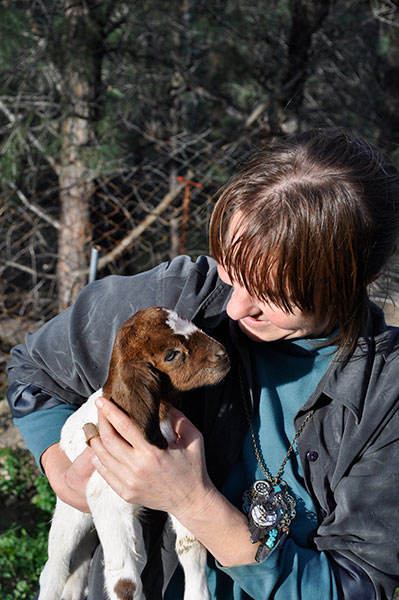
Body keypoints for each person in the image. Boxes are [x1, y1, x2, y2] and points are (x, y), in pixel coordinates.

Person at [7, 127, 399, 600]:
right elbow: (35, 370)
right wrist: (68, 479)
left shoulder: (385, 397)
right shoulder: (176, 303)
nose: (234, 310)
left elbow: (357, 586)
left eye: (275, 295)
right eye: (232, 270)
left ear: (363, 275)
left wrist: (191, 500)